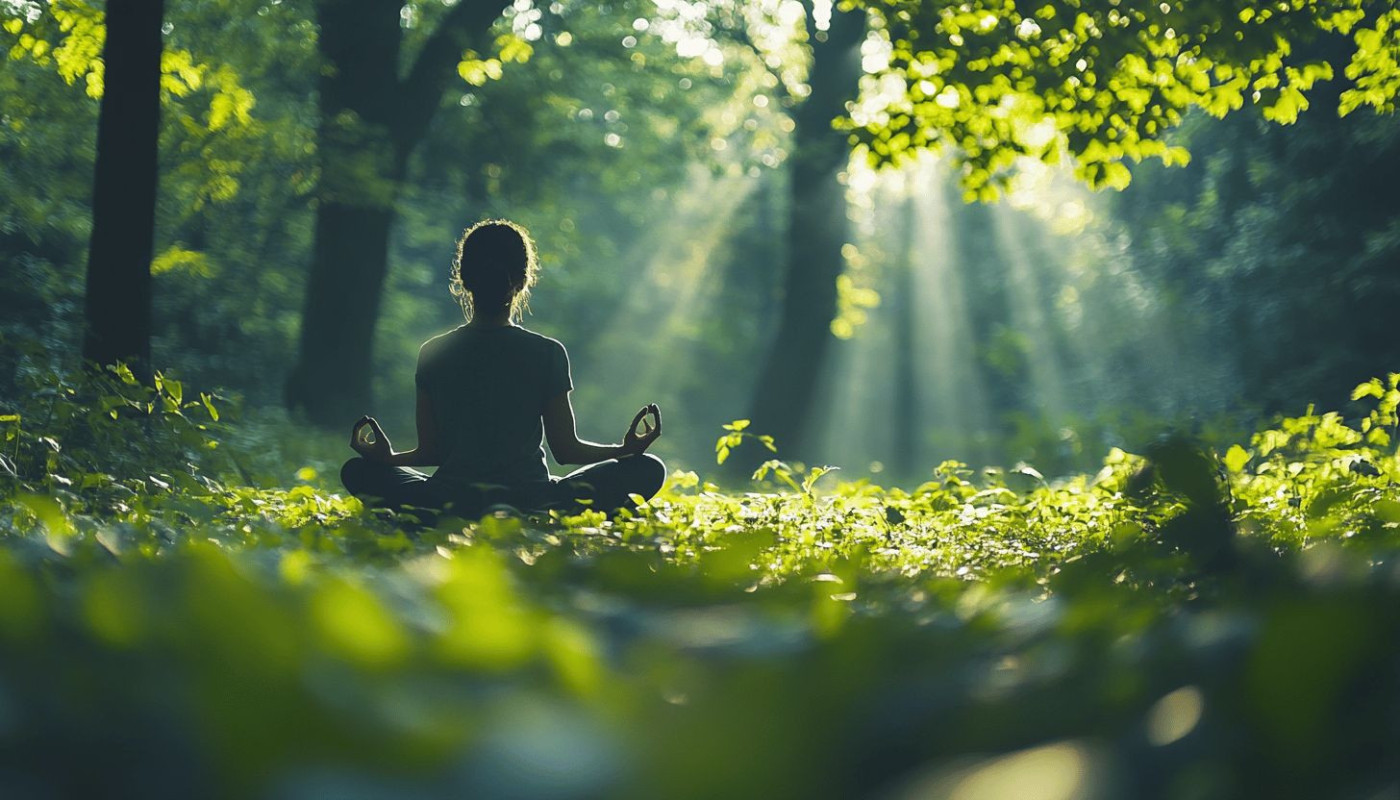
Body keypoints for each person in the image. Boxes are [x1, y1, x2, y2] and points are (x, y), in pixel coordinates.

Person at [340, 219, 666, 521]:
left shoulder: (433, 352)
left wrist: (386, 459)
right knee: (648, 469)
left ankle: (434, 517)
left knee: (358, 471)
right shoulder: (547, 352)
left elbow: (432, 451)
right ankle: (534, 519)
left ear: (464, 279)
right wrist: (626, 450)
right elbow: (566, 451)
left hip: (450, 500)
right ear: (523, 280)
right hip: (532, 500)